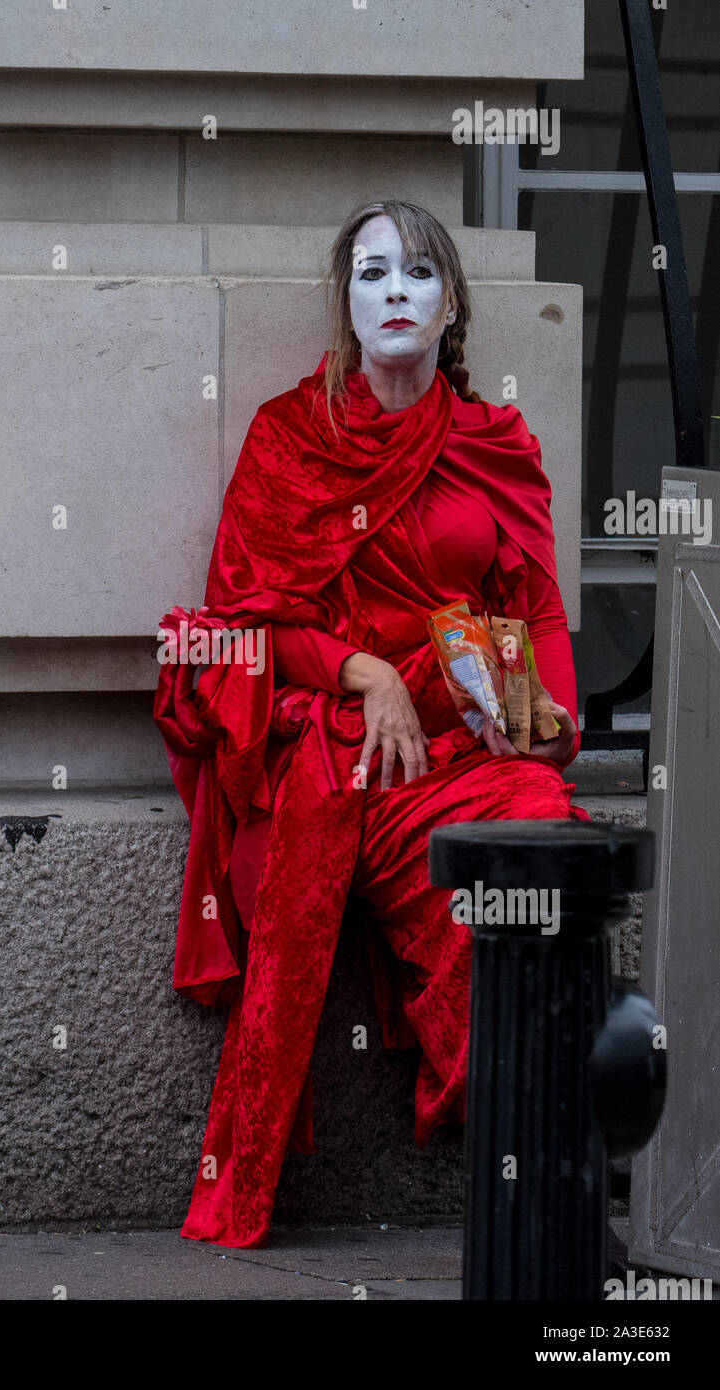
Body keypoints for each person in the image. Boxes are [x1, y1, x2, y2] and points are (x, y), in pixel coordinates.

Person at [154, 198, 590, 1250]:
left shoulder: (495, 442)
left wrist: (551, 719)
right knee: (313, 833)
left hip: (462, 754)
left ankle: (536, 1152)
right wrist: (362, 673)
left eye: (420, 273)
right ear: (347, 307)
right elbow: (235, 626)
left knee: (538, 826)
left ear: (450, 309)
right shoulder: (290, 435)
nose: (396, 289)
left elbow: (531, 605)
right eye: (372, 273)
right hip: (344, 748)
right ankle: (243, 1178)